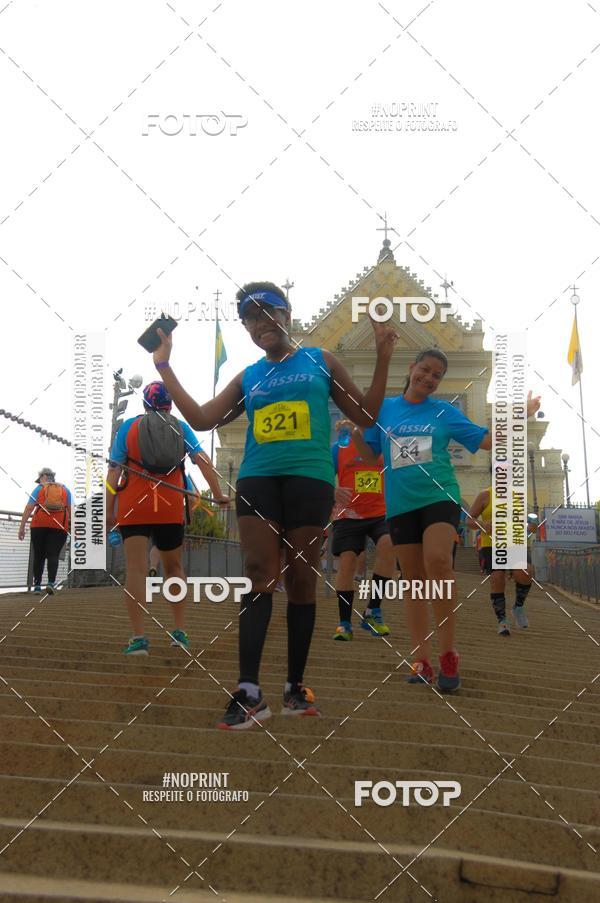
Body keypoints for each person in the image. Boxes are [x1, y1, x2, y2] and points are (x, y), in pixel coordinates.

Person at [151, 281, 398, 728]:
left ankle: (294, 688)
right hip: (259, 480)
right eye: (250, 318)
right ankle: (248, 692)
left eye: (268, 313)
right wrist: (165, 366)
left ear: (287, 314)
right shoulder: (249, 376)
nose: (260, 323)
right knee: (259, 573)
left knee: (302, 580)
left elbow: (365, 416)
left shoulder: (320, 361)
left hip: (310, 480)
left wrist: (383, 357)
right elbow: (204, 418)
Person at [352, 348, 541, 691]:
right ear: (411, 368)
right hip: (400, 503)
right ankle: (421, 658)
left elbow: (486, 441)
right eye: (425, 370)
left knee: (438, 561)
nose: (429, 378)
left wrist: (520, 418)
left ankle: (448, 652)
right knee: (412, 579)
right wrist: (354, 437)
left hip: (440, 495)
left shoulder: (444, 411)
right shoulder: (385, 409)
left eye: (436, 375)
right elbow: (371, 454)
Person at [106, 381, 230, 656]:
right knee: (174, 569)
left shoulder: (128, 428)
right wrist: (219, 493)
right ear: (169, 404)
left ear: (145, 404)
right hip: (169, 506)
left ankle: (138, 638)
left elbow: (114, 473)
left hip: (134, 507)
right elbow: (203, 461)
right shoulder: (180, 427)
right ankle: (179, 632)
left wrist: (109, 510)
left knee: (136, 570)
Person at [330, 419, 396, 641]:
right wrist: (333, 490)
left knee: (388, 544)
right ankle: (344, 623)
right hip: (348, 514)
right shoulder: (338, 448)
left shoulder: (384, 447)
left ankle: (372, 611)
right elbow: (321, 473)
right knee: (348, 561)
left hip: (381, 511)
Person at [469, 489, 536, 633]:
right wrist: (482, 525)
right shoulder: (485, 495)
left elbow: (528, 522)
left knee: (525, 572)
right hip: (492, 544)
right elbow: (469, 519)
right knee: (497, 578)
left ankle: (518, 607)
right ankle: (502, 621)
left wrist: (531, 526)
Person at [18, 468, 71, 594]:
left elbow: (29, 508)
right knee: (53, 555)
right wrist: (76, 529)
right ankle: (51, 583)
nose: (39, 481)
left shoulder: (39, 489)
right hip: (59, 526)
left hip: (39, 525)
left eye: (40, 479)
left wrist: (22, 527)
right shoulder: (65, 489)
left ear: (44, 476)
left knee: (39, 555)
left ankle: (37, 586)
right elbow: (71, 510)